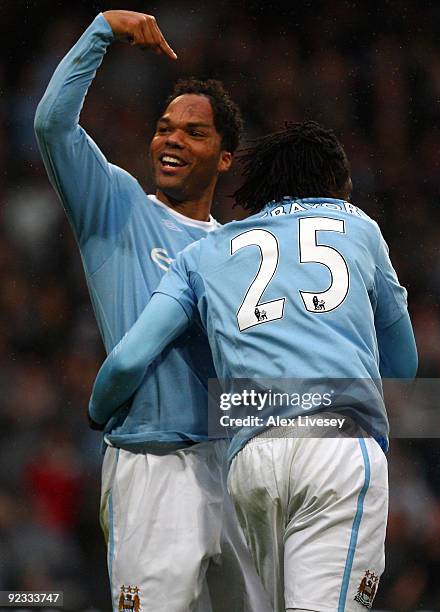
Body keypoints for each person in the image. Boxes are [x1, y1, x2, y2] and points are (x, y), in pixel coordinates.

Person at [88, 120, 418, 611]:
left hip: (250, 462)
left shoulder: (203, 253)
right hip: (337, 445)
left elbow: (129, 358)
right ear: (337, 187)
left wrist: (98, 411)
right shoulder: (359, 227)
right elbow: (405, 363)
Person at [34, 9, 270, 612]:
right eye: (165, 127)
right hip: (152, 468)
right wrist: (100, 32)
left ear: (225, 158)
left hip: (233, 470)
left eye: (193, 132)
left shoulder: (238, 252)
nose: (171, 140)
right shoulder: (114, 207)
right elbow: (53, 125)